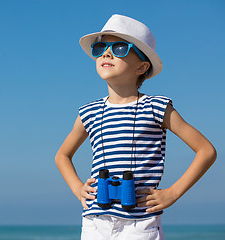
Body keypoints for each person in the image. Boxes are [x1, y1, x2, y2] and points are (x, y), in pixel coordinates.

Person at [55, 14, 216, 240]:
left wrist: (173, 193)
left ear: (141, 66)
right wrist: (77, 188)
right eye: (100, 47)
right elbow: (62, 155)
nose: (106, 53)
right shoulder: (88, 112)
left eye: (119, 47)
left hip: (140, 223)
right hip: (95, 222)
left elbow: (206, 150)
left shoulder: (157, 107)